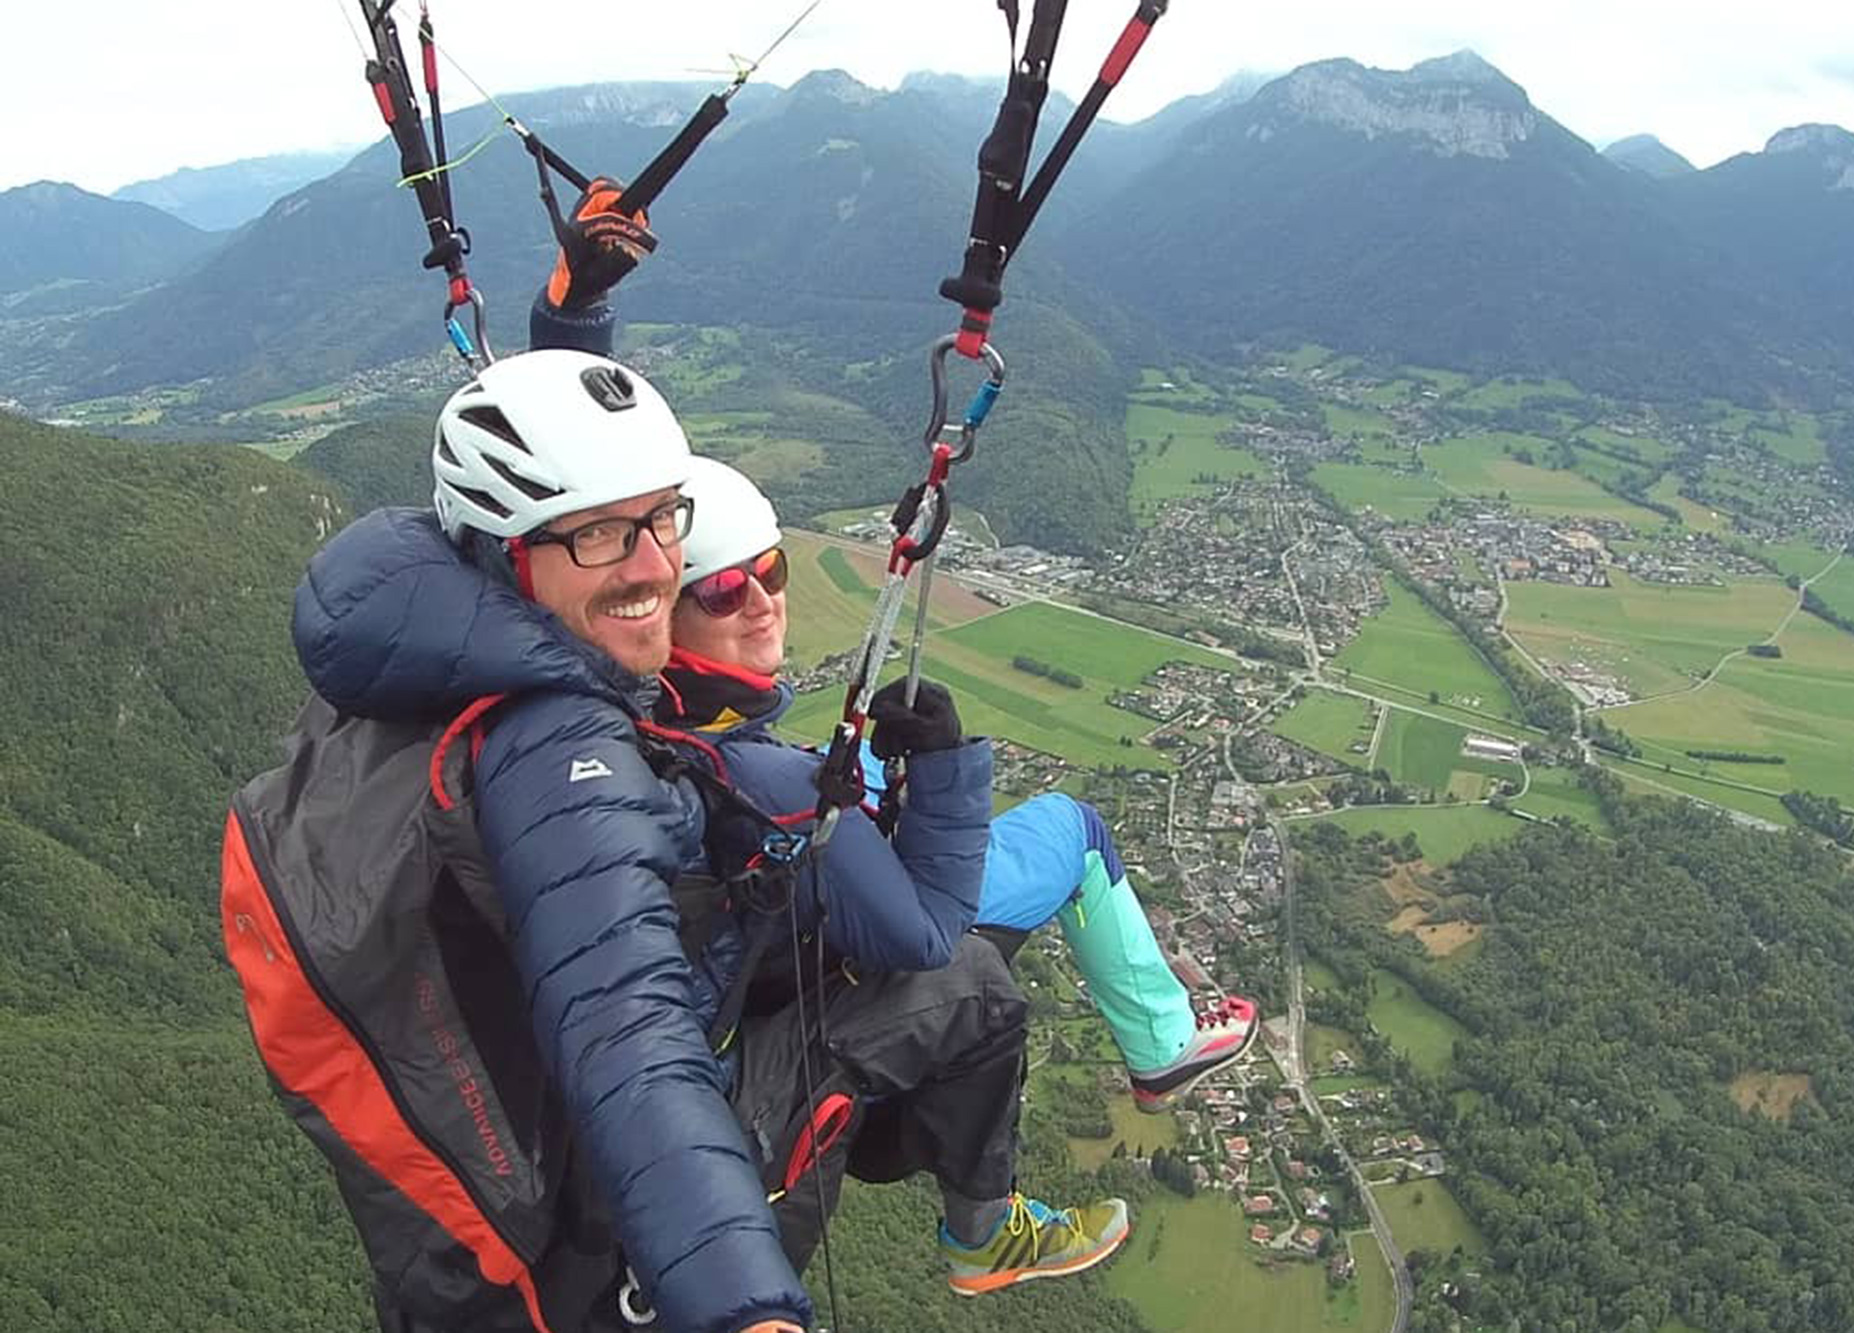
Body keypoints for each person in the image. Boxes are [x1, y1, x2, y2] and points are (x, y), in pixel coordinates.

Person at [235, 186, 1122, 1333]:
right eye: (615, 537)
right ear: (507, 552)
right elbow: (630, 1034)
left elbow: (555, 486)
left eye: (666, 521)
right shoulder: (567, 754)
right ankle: (980, 1224)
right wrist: (743, 1303)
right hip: (611, 1232)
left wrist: (574, 314)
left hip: (481, 1200)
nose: (654, 564)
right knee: (971, 992)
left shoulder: (430, 640)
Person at [660, 456, 1260, 1117]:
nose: (762, 602)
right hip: (831, 943)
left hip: (773, 920)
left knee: (866, 760)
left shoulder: (667, 729)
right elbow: (928, 936)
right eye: (721, 590)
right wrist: (943, 767)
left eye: (771, 571)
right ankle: (1164, 1042)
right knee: (1076, 829)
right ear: (661, 614)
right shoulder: (767, 783)